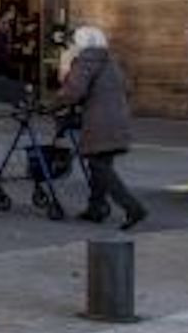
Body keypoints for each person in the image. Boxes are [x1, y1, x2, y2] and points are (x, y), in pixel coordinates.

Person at [56, 26, 148, 230]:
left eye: (74, 43)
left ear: (81, 44)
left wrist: (55, 100)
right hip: (117, 119)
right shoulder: (110, 60)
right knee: (100, 163)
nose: (72, 47)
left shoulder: (85, 61)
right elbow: (127, 88)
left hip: (100, 122)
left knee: (99, 166)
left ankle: (133, 208)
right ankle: (96, 208)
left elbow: (74, 92)